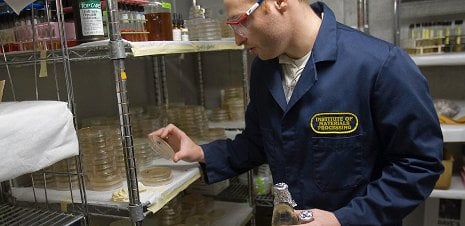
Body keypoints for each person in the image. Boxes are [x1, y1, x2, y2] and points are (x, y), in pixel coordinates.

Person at [149, 0, 444, 225]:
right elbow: (257, 142)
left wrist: (344, 219)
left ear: (279, 3)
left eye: (240, 22)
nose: (238, 39)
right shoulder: (265, 69)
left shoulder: (381, 66)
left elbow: (418, 165)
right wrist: (199, 152)